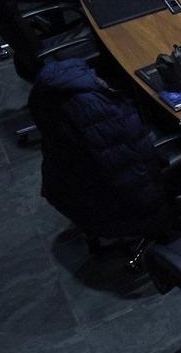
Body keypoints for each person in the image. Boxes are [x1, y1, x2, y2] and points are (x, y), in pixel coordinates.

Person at [30, 56, 173, 245]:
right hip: (115, 208)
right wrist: (158, 217)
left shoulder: (57, 86)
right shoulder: (101, 114)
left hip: (73, 191)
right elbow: (135, 181)